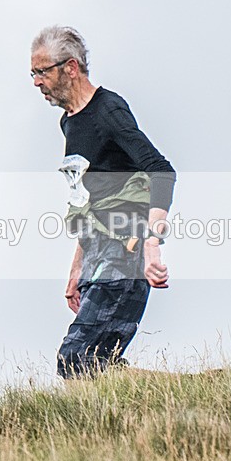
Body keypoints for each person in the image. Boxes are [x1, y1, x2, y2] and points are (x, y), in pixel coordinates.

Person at [30, 26, 176, 379]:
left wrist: (152, 247)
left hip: (126, 252)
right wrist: (76, 270)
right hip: (98, 256)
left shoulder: (109, 110)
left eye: (42, 71)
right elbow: (88, 202)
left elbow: (161, 172)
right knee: (96, 367)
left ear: (70, 67)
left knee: (75, 359)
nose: (36, 82)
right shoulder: (69, 124)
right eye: (32, 73)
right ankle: (189, 390)